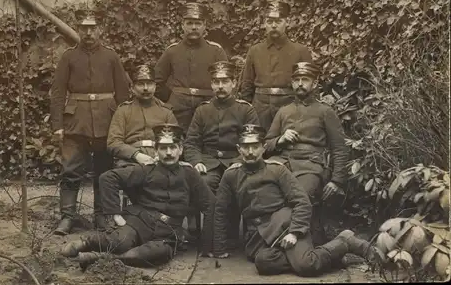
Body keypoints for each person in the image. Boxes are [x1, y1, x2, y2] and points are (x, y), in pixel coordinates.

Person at [212, 124, 383, 276]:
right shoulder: (231, 175)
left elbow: (302, 202)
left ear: (263, 148)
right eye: (245, 147)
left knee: (306, 266)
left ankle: (346, 241)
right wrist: (218, 247)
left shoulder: (277, 170)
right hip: (258, 236)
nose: (250, 152)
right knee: (263, 262)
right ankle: (329, 257)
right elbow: (220, 210)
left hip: (285, 225)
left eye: (255, 147)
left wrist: (295, 232)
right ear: (238, 149)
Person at [61, 124, 216, 268]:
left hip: (168, 231)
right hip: (138, 222)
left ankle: (101, 259)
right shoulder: (146, 170)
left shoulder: (190, 174)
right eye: (163, 148)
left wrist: (207, 245)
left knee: (154, 254)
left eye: (173, 147)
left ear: (180, 149)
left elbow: (210, 204)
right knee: (120, 242)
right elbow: (107, 178)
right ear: (156, 151)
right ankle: (84, 242)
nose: (168, 153)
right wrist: (115, 213)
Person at [50, 13, 131, 235]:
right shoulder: (68, 57)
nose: (88, 33)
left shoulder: (111, 57)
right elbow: (58, 92)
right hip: (75, 122)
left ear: (100, 30)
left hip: (107, 121)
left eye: (93, 28)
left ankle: (101, 216)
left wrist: (123, 124)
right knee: (70, 170)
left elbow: (123, 92)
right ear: (78, 29)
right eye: (84, 28)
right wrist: (57, 124)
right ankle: (67, 218)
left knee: (104, 173)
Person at [264, 62, 350, 246]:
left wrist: (336, 180)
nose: (300, 84)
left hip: (311, 166)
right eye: (296, 80)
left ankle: (301, 241)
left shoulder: (325, 112)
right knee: (264, 190)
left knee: (301, 195)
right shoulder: (283, 111)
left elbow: (340, 148)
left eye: (305, 80)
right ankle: (271, 241)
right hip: (283, 162)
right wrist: (280, 139)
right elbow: (266, 145)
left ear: (315, 84)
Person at [183, 61, 260, 244]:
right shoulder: (202, 110)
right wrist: (196, 162)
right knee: (203, 183)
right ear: (211, 85)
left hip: (236, 161)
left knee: (236, 184)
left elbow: (253, 142)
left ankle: (232, 235)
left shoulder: (245, 109)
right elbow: (191, 142)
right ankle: (208, 235)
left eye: (225, 81)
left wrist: (242, 161)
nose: (220, 86)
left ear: (233, 83)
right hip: (208, 162)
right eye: (216, 81)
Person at [107, 64, 178, 208]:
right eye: (140, 84)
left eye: (149, 84)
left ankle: (149, 214)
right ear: (132, 88)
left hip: (161, 160)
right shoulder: (123, 111)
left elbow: (176, 141)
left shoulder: (166, 112)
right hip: (131, 162)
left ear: (155, 86)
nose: (145, 88)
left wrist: (162, 156)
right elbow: (113, 142)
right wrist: (136, 155)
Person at [238, 0, 313, 132]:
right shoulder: (255, 50)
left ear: (287, 22)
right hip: (260, 107)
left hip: (290, 105)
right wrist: (248, 111)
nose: (273, 25)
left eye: (278, 21)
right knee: (260, 145)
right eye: (269, 21)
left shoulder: (300, 51)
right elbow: (246, 85)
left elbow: (310, 86)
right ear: (264, 24)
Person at [154, 2, 228, 133]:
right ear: (182, 25)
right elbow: (157, 81)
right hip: (178, 107)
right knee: (178, 142)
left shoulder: (216, 51)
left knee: (208, 139)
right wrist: (174, 97)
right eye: (189, 23)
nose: (194, 27)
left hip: (208, 104)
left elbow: (226, 80)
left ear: (204, 25)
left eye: (198, 23)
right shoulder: (172, 51)